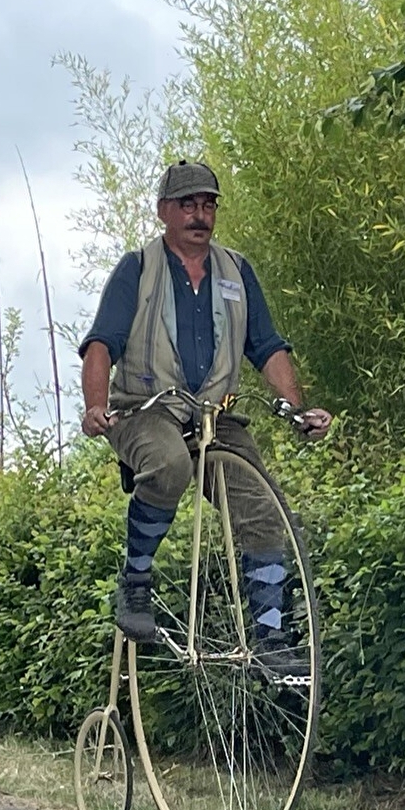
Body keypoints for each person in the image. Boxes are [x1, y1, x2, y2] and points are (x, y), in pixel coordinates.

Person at [78, 160, 332, 676]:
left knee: (263, 508)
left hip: (216, 415)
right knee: (169, 465)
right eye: (188, 204)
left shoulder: (236, 271)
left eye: (209, 204)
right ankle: (137, 581)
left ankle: (270, 636)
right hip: (145, 411)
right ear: (163, 211)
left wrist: (298, 410)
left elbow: (268, 347)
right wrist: (95, 405)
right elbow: (101, 343)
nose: (200, 215)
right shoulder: (138, 268)